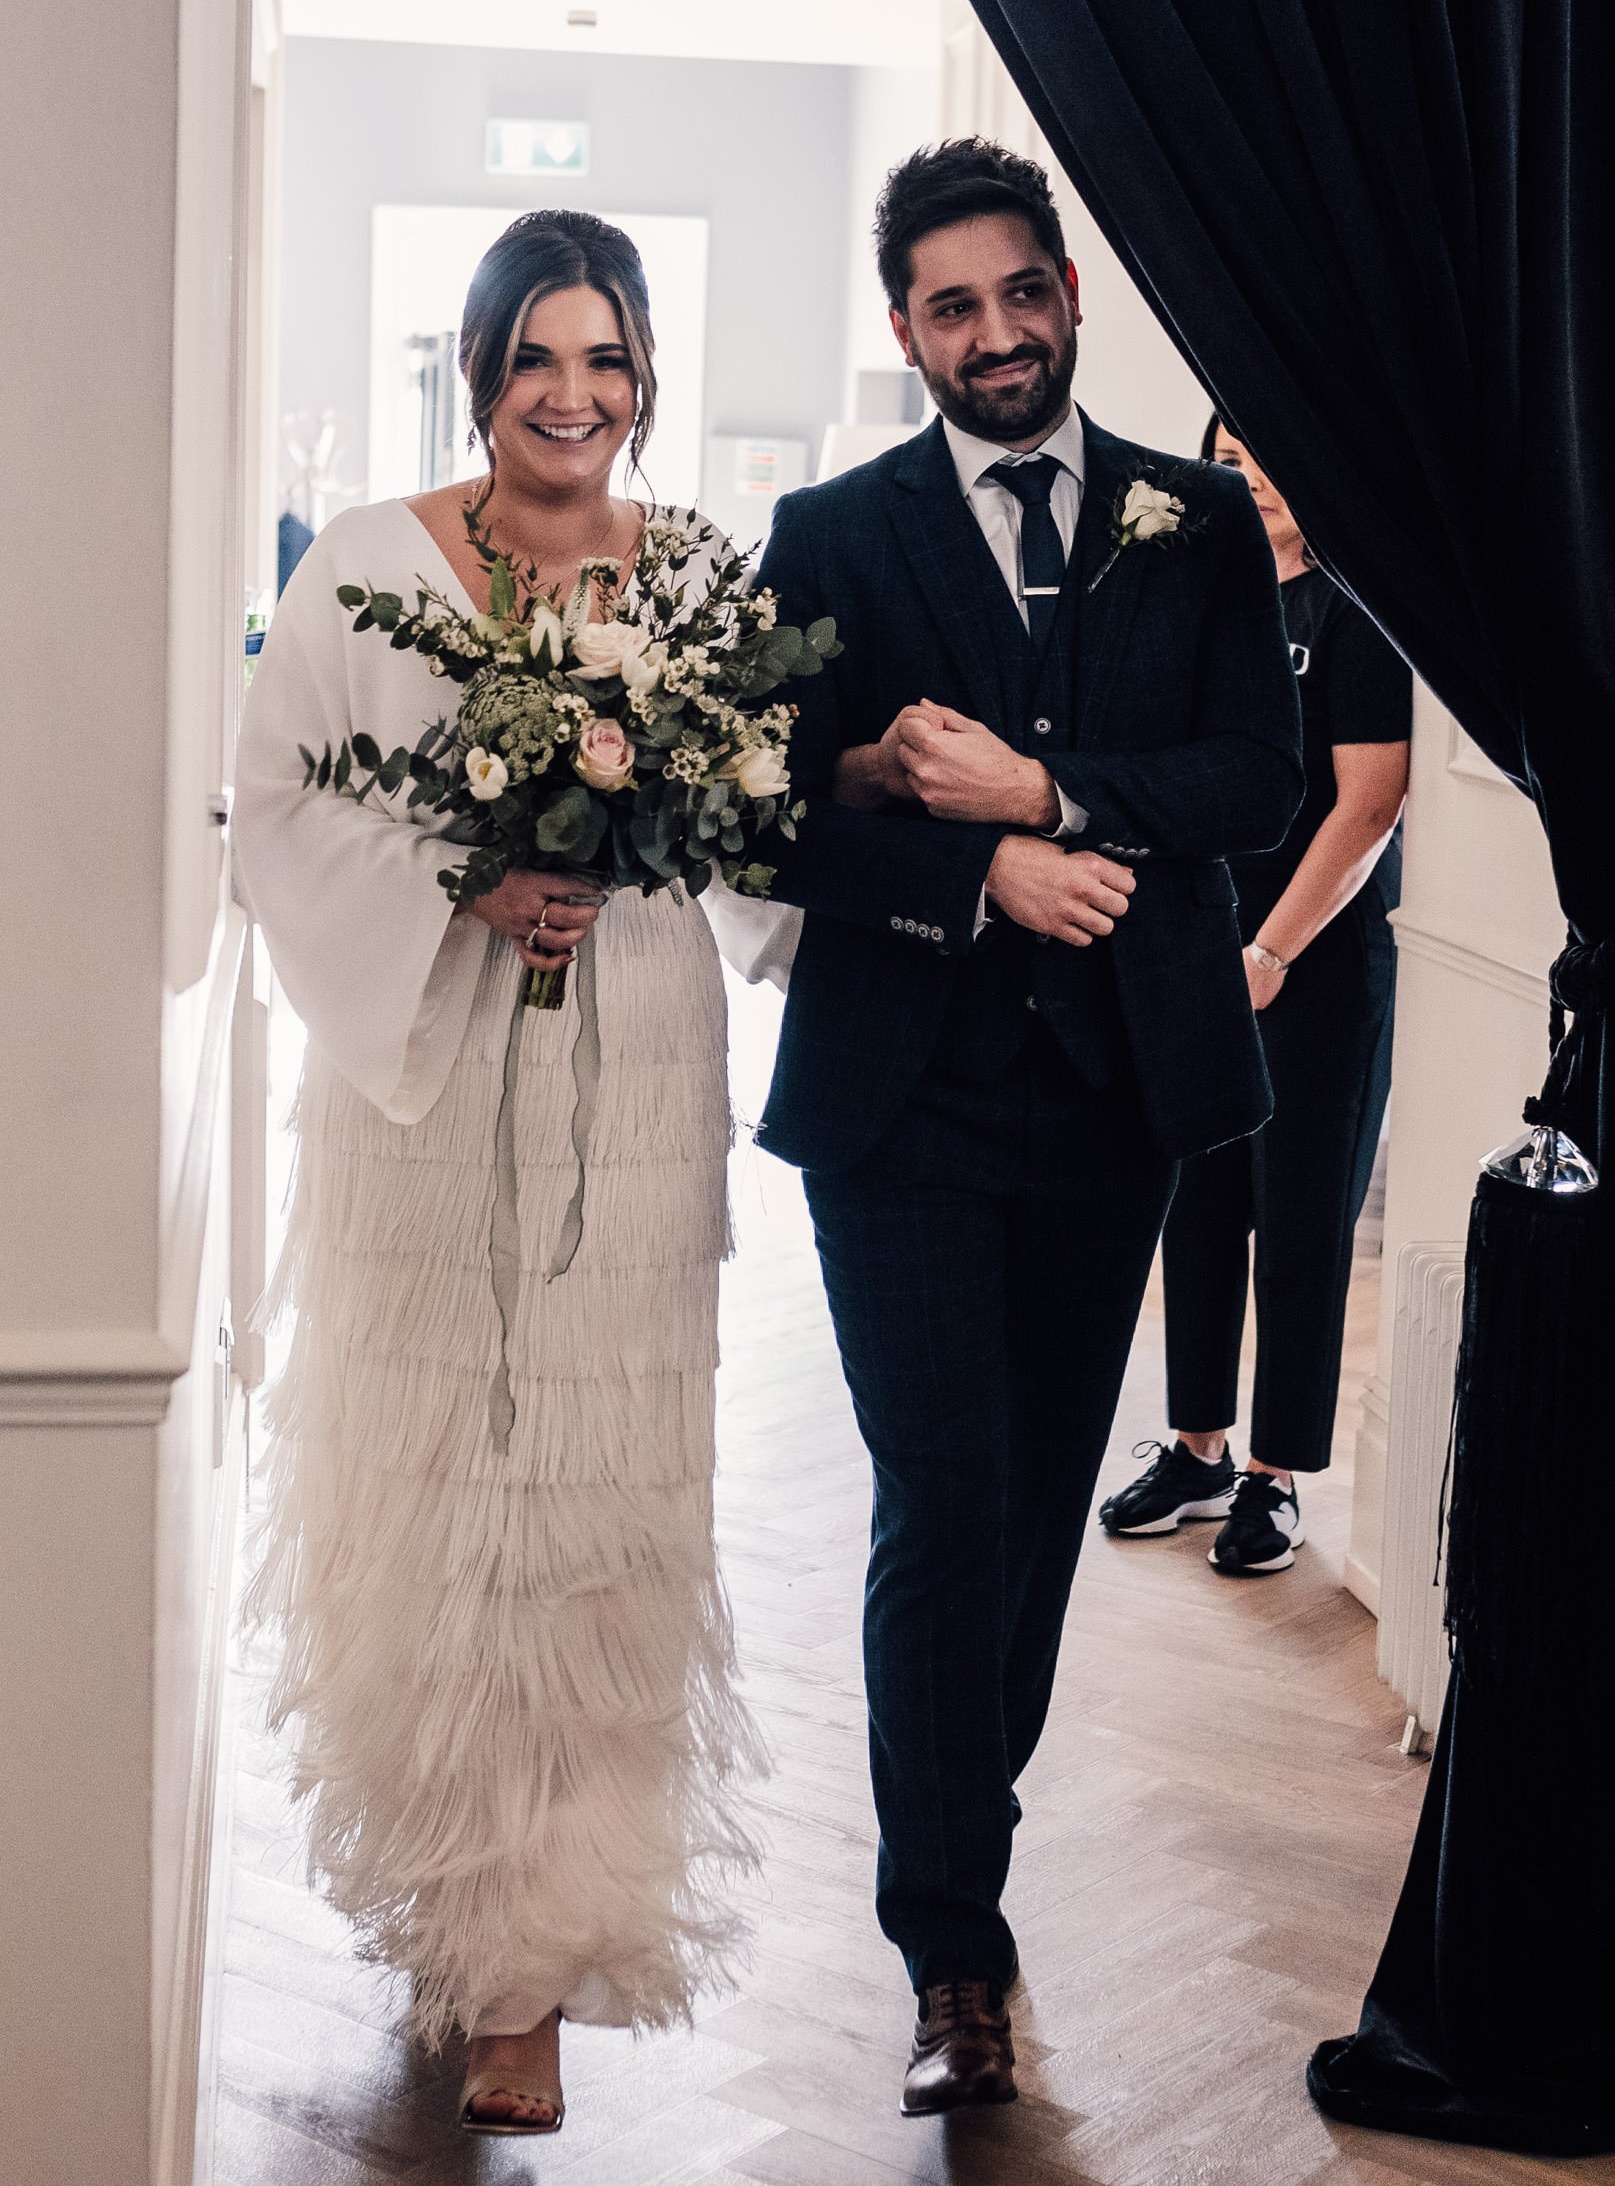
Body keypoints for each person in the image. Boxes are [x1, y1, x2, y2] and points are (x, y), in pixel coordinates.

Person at [749, 140, 1303, 2115]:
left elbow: (1257, 775)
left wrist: (1046, 795)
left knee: (1028, 1520)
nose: (992, 334)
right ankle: (952, 1948)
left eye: (1016, 293)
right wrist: (966, 875)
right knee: (942, 1497)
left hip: (1113, 1099)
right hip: (900, 1094)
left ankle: (952, 1856)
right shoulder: (825, 533)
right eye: (947, 306)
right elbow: (753, 811)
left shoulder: (1190, 518)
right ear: (902, 330)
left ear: (1062, 287)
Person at [231, 211, 762, 2139]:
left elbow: (748, 824)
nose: (574, 397)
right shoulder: (372, 564)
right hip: (423, 1084)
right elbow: (276, 809)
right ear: (479, 373)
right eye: (536, 358)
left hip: (631, 1064)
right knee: (443, 1478)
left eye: (606, 360)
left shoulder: (696, 578)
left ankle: (538, 1960)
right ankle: (452, 1915)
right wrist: (467, 871)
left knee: (596, 1497)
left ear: (642, 377)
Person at [1100, 418, 1411, 1573]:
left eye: (1277, 449)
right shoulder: (1200, 601)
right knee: (1193, 1207)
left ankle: (1273, 1476)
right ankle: (1195, 1447)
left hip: (1310, 970)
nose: (1257, 478)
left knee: (1295, 1224)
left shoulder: (1358, 607)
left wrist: (1268, 954)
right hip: (1194, 959)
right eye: (1232, 459)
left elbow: (1369, 805)